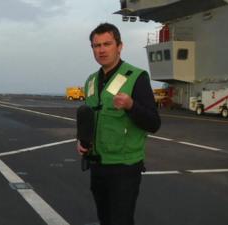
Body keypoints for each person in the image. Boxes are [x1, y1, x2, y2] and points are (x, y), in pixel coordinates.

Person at [77, 23, 161, 225]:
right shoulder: (90, 81)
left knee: (120, 221)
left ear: (119, 46)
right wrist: (80, 139)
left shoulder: (136, 77)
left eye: (107, 44)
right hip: (97, 164)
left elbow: (153, 123)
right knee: (105, 219)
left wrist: (131, 106)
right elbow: (88, 115)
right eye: (96, 45)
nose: (102, 50)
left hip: (124, 167)